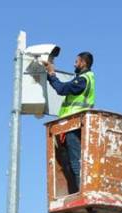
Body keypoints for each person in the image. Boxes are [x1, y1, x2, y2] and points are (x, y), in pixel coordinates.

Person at [43, 51, 96, 194]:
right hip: (72, 125)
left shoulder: (84, 79)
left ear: (83, 63)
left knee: (75, 161)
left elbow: (62, 89)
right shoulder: (84, 78)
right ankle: (76, 191)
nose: (74, 64)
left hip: (75, 125)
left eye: (76, 61)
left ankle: (81, 192)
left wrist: (52, 74)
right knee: (69, 161)